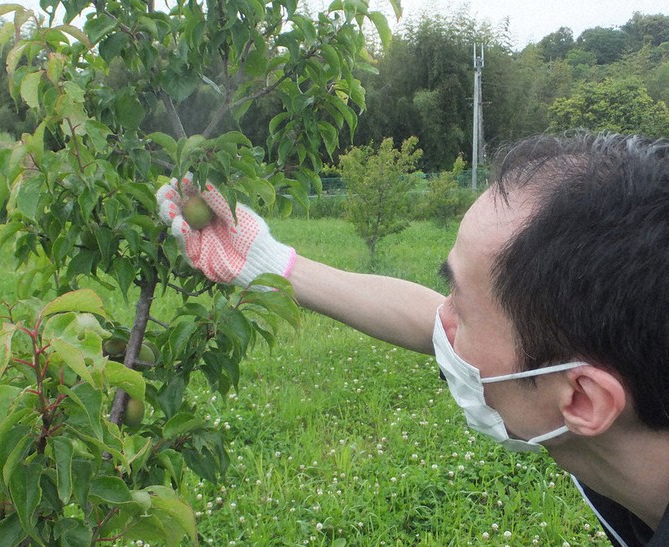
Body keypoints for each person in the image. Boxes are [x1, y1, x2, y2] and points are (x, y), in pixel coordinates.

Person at [156, 131, 669, 546]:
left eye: (462, 310)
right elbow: (432, 321)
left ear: (581, 399)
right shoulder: (627, 428)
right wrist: (265, 263)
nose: (442, 324)